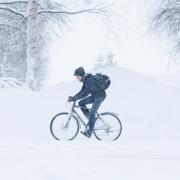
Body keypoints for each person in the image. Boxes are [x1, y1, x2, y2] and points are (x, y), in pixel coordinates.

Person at [68, 66, 107, 138]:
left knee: (92, 112)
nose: (76, 78)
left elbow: (85, 93)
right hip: (95, 95)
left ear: (81, 75)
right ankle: (90, 119)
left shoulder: (89, 81)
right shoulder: (85, 80)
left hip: (100, 96)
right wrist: (74, 97)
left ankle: (89, 132)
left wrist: (75, 98)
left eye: (77, 76)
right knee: (81, 103)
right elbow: (82, 91)